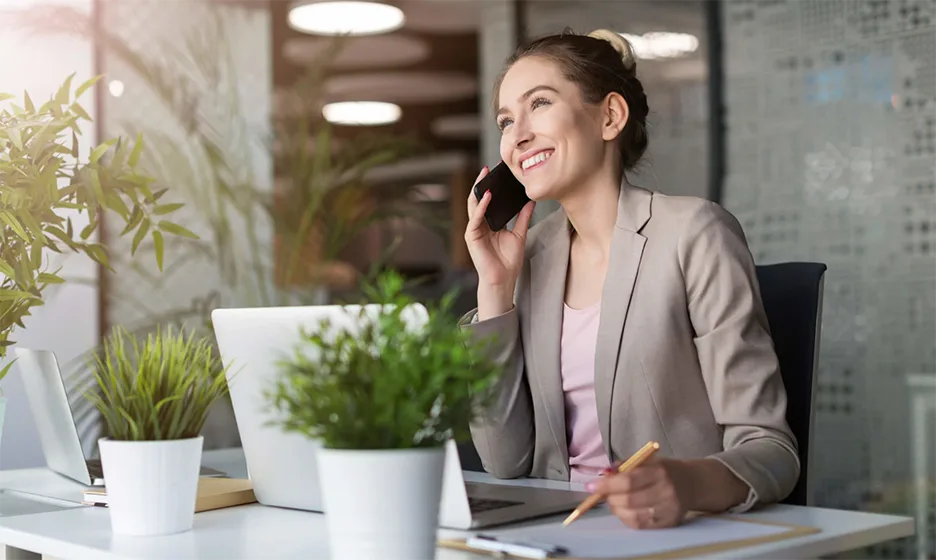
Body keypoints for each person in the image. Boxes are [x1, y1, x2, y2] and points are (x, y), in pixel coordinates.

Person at [460, 28, 799, 530]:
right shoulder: (529, 257)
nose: (517, 135)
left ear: (610, 117)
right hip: (558, 533)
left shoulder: (693, 234)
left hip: (668, 535)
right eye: (506, 120)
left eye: (540, 104)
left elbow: (772, 451)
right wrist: (494, 289)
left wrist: (687, 483)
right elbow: (503, 461)